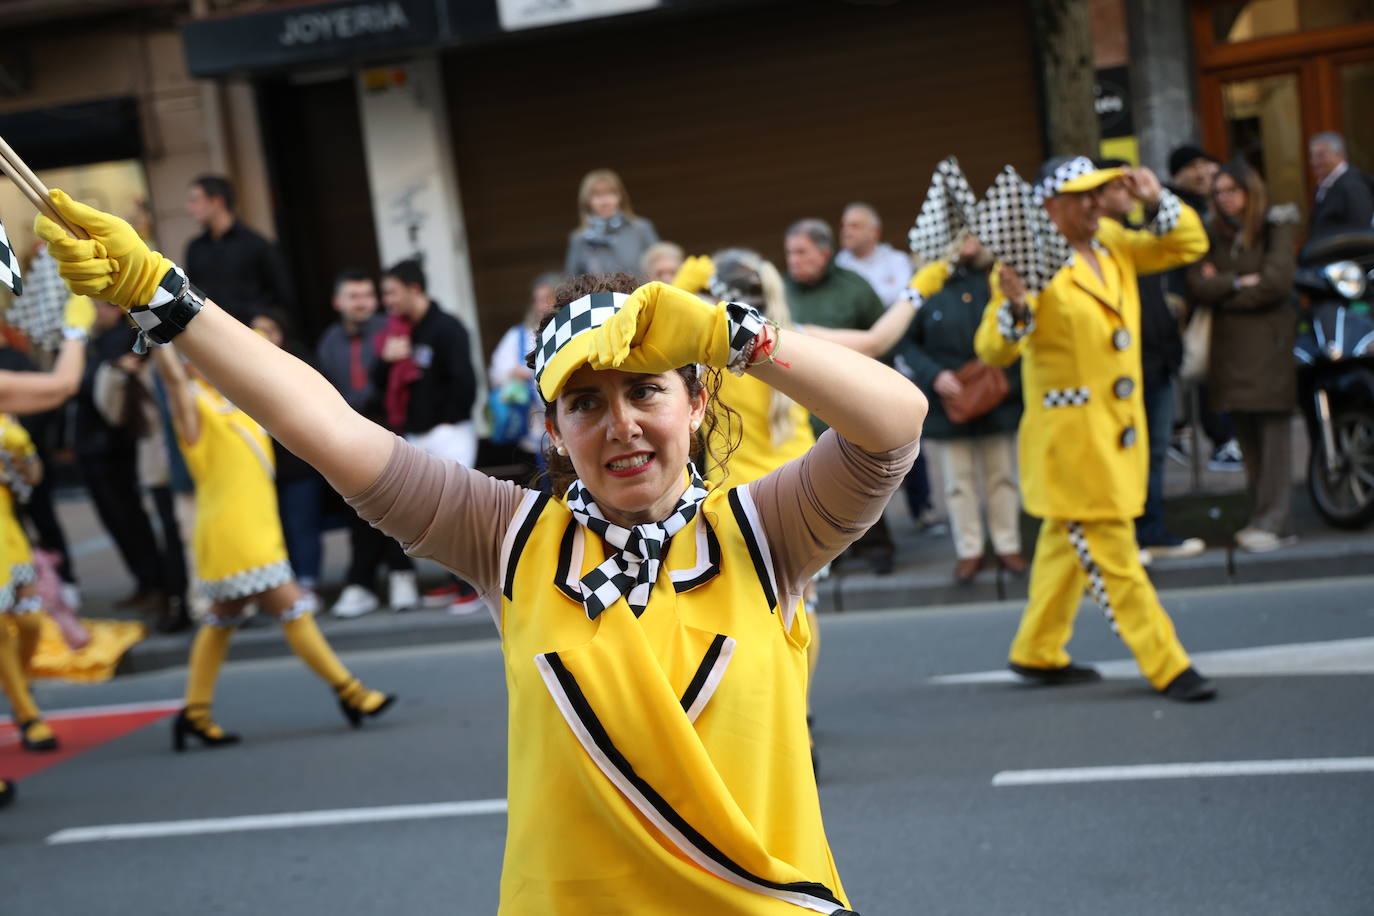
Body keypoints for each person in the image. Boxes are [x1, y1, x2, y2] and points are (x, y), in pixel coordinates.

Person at [36, 190, 926, 912]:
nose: (620, 426)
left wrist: (739, 337)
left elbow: (895, 425)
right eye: (584, 403)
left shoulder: (769, 532)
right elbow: (321, 423)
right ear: (554, 427)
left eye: (646, 391)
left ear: (696, 403)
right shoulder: (509, 538)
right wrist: (165, 296)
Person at [974, 156, 1216, 702]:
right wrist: (1014, 307)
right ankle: (1168, 664)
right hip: (1074, 445)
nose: (1094, 203)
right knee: (1115, 555)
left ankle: (1036, 652)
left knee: (1067, 545)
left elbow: (1188, 248)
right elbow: (993, 348)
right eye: (1081, 196)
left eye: (1097, 193)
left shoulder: (1112, 240)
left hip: (1115, 431)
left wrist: (1157, 201)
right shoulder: (1026, 259)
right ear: (1048, 207)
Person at [148, 344, 395, 749]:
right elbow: (173, 380)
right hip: (234, 534)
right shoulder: (192, 406)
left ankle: (194, 712)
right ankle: (352, 693)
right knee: (293, 608)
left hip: (259, 528)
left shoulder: (232, 400)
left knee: (220, 621)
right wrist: (149, 316)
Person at [784, 217, 928, 572]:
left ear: (824, 252)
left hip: (849, 401)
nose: (793, 260)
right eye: (789, 253)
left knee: (860, 481)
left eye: (801, 252)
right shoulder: (780, 293)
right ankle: (829, 554)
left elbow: (881, 345)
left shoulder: (854, 287)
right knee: (813, 485)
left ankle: (878, 549)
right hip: (799, 409)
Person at [1186, 160, 1300, 553]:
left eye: (1232, 190)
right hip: (1230, 351)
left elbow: (1276, 281)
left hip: (1268, 347)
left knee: (1273, 438)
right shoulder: (1210, 232)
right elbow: (1197, 285)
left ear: (1250, 191)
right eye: (1218, 192)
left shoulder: (1274, 226)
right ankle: (1261, 516)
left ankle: (1274, 521)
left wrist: (1225, 290)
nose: (1224, 199)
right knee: (1247, 438)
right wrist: (1236, 281)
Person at [898, 232, 1025, 583]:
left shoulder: (996, 278)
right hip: (949, 401)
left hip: (996, 395)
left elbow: (1015, 329)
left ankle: (1007, 545)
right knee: (958, 481)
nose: (968, 240)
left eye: (973, 232)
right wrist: (934, 375)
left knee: (1002, 476)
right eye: (958, 234)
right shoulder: (929, 284)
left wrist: (1007, 381)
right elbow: (906, 342)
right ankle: (969, 550)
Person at [1096, 159, 1205, 563]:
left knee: (1156, 449)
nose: (1130, 189)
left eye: (1132, 181)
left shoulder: (1136, 235)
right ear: (1097, 194)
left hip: (1156, 360)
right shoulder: (1093, 242)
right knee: (1119, 453)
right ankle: (1126, 534)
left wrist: (1157, 197)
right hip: (1114, 370)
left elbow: (1190, 243)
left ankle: (1150, 528)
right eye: (1120, 184)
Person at [372, 258, 479, 611]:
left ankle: (473, 586)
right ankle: (452, 581)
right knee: (429, 516)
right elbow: (379, 386)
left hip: (448, 432)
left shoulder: (447, 328)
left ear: (414, 289)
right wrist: (387, 361)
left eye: (392, 291)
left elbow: (465, 383)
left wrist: (440, 420)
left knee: (455, 511)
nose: (386, 300)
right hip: (414, 435)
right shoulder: (399, 332)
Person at [316, 269, 417, 618]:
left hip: (389, 431)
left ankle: (399, 576)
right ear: (338, 301)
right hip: (345, 435)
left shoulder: (390, 330)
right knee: (358, 510)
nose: (362, 303)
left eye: (367, 296)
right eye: (353, 296)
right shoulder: (329, 340)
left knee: (392, 505)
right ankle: (365, 584)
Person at [76, 299, 174, 621]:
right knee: (117, 519)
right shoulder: (97, 342)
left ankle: (157, 584)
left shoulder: (122, 339)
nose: (94, 312)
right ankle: (147, 584)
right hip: (95, 445)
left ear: (113, 309)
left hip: (115, 447)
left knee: (129, 517)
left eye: (98, 306)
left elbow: (99, 390)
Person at [93, 348, 193, 631]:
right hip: (160, 469)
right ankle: (182, 605)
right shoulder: (136, 368)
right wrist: (116, 373)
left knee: (202, 534)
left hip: (200, 461)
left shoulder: (186, 358)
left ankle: (224, 601)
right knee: (173, 541)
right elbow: (112, 413)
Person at [1166, 145, 1241, 472]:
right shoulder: (1172, 207)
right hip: (1187, 300)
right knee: (1202, 367)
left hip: (1209, 295)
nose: (1202, 173)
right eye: (1192, 166)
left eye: (1207, 164)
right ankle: (1217, 440)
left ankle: (1194, 434)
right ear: (1176, 174)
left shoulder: (1215, 204)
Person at [253, 308, 330, 596]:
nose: (263, 337)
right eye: (256, 330)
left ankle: (307, 584)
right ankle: (284, 588)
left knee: (303, 524)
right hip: (264, 468)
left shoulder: (299, 364)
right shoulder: (243, 367)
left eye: (270, 329)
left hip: (299, 464)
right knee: (279, 529)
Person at [0, 413, 60, 752]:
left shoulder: (6, 423)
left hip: (8, 534)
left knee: (31, 621)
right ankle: (27, 714)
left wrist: (22, 450)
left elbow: (33, 478)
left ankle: (17, 687)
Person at [184, 175, 295, 324]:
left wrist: (271, 319)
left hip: (252, 331)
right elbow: (191, 295)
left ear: (217, 201)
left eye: (195, 200)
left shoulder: (256, 244)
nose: (189, 208)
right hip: (211, 331)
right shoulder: (195, 248)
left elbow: (282, 295)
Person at [487, 272, 559, 469]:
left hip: (567, 429)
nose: (540, 306)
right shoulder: (519, 335)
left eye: (547, 299)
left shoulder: (570, 331)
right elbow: (496, 372)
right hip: (533, 434)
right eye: (537, 300)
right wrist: (515, 372)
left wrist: (529, 372)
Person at [564, 168, 660, 276]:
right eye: (597, 195)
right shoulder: (579, 239)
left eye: (610, 193)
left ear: (620, 197)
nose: (605, 201)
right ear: (587, 200)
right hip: (598, 293)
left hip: (638, 292)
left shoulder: (640, 228)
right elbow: (571, 279)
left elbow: (659, 267)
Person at [834, 202, 915, 306]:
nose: (846, 232)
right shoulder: (838, 264)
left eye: (855, 226)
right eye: (844, 226)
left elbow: (905, 298)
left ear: (874, 232)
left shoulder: (897, 260)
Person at [1306, 132, 1374, 244]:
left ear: (1339, 155)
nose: (1314, 162)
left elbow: (1361, 231)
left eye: (1321, 155)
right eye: (1311, 156)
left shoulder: (1353, 185)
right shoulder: (1325, 184)